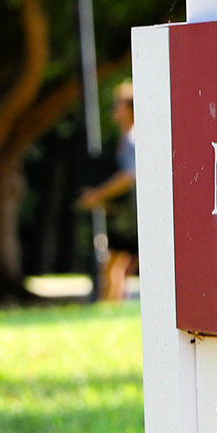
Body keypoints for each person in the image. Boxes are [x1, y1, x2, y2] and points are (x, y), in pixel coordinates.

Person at [77, 83, 137, 302]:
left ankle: (109, 308)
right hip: (125, 212)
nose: (114, 109)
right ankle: (111, 308)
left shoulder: (132, 139)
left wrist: (98, 195)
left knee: (113, 262)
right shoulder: (124, 139)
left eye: (118, 105)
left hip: (131, 216)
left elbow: (129, 176)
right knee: (114, 263)